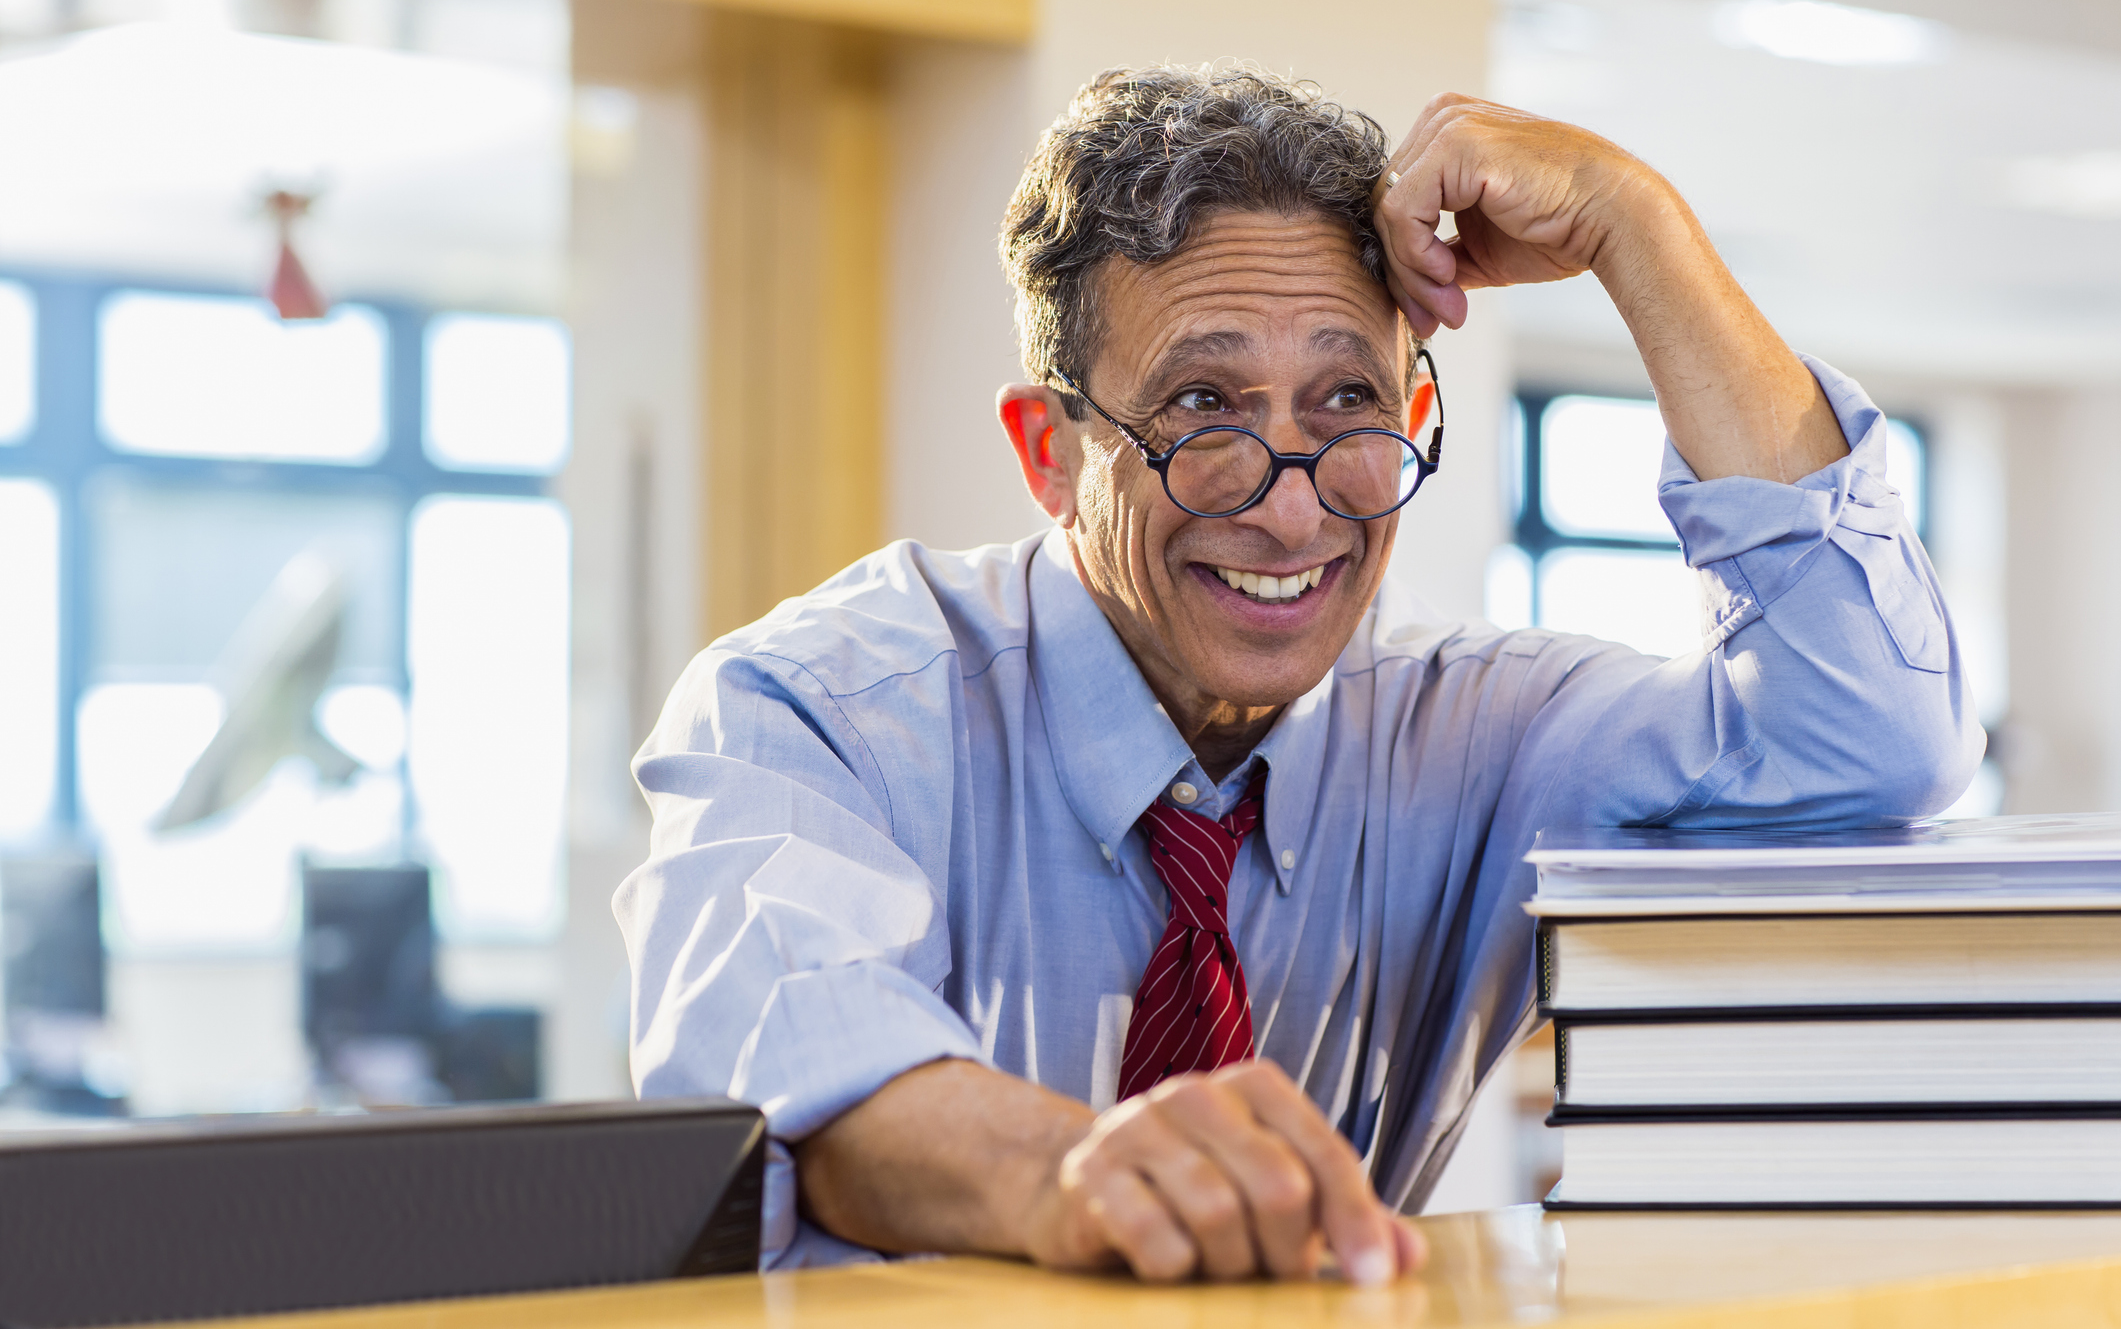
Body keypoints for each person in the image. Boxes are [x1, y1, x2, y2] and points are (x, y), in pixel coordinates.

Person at [615, 66, 1980, 1284]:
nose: (1288, 510)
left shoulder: (1481, 735)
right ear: (1049, 453)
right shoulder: (818, 706)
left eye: (1346, 406)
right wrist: (1075, 1174)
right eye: (1203, 408)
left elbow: (1868, 731)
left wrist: (1643, 231)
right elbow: (796, 1061)